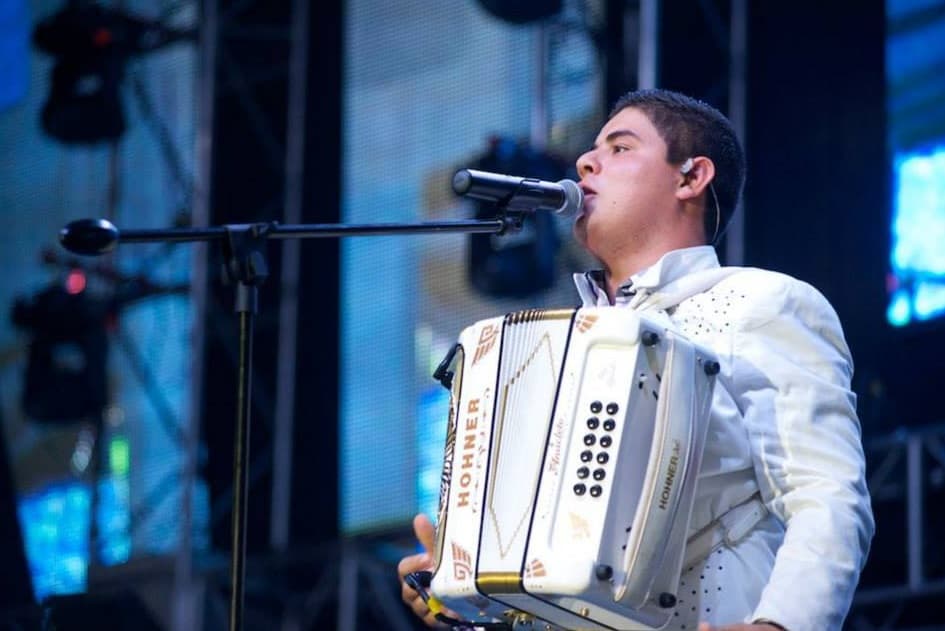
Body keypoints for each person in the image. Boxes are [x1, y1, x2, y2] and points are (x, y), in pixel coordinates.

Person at [398, 88, 874, 631]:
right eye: (592, 149)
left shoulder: (762, 302)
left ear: (691, 177)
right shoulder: (564, 345)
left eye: (620, 148)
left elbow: (826, 494)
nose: (585, 161)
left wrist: (780, 625)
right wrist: (461, 594)